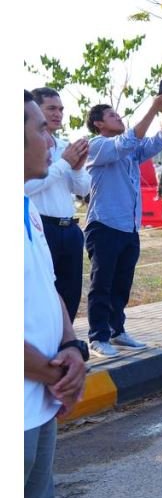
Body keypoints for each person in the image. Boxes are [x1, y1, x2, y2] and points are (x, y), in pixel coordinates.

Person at [24, 89, 89, 498]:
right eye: (40, 128)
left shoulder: (25, 208)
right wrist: (53, 373)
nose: (51, 139)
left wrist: (70, 347)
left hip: (40, 402)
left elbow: (50, 291)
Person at [83, 93, 162, 357]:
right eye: (112, 115)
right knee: (102, 284)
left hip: (129, 227)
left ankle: (117, 330)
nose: (118, 117)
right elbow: (129, 140)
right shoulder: (97, 145)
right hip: (104, 225)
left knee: (122, 284)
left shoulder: (130, 149)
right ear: (98, 124)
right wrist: (153, 107)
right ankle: (98, 337)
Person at [25, 87, 92, 322]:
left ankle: (67, 339)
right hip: (42, 227)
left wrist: (77, 167)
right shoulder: (27, 148)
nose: (58, 114)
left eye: (61, 109)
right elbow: (27, 187)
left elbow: (83, 189)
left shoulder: (65, 146)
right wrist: (64, 164)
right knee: (43, 292)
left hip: (69, 229)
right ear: (35, 110)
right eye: (51, 108)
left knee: (70, 292)